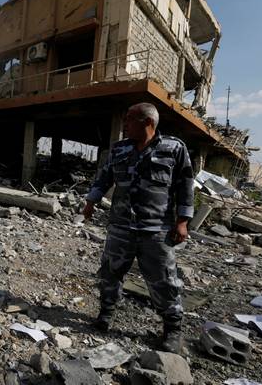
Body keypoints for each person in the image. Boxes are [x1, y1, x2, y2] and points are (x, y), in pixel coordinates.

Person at [82, 102, 194, 354]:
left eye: (129, 119)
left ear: (147, 123)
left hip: (156, 230)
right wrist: (91, 201)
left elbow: (185, 185)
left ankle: (172, 329)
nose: (124, 124)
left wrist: (183, 221)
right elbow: (105, 176)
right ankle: (106, 314)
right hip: (121, 225)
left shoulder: (174, 148)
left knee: (164, 280)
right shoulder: (120, 149)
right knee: (110, 272)